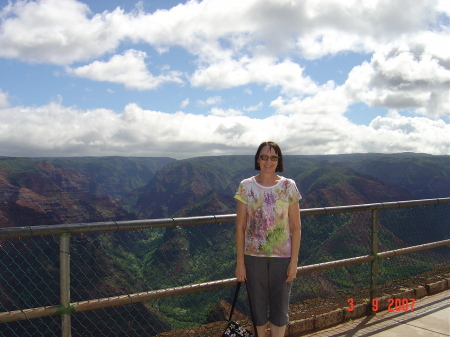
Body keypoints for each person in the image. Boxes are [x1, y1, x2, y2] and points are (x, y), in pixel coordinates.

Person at [235, 141, 302, 337]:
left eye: (273, 157)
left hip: (283, 258)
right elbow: (240, 227)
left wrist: (294, 262)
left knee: (280, 309)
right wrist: (240, 262)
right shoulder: (246, 186)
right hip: (253, 257)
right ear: (257, 159)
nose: (268, 161)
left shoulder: (289, 186)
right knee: (257, 309)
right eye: (264, 157)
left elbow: (296, 228)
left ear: (278, 161)